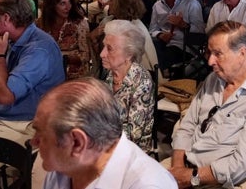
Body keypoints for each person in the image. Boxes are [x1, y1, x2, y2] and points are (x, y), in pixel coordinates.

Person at [169, 21, 246, 188]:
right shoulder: (213, 79)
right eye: (209, 53)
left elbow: (240, 167)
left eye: (218, 54)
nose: (210, 61)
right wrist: (178, 168)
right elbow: (187, 125)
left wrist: (191, 177)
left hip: (227, 182)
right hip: (187, 167)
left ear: (242, 54)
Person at [32, 78, 177, 189]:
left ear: (77, 143)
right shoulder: (63, 168)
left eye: (41, 135)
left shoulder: (149, 184)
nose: (34, 142)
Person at [0, 0, 64, 148]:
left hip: (21, 125)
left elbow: (5, 97)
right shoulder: (16, 39)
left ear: (6, 18)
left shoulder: (38, 49)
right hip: (1, 116)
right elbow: (3, 83)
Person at [100, 20, 154, 152]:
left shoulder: (142, 82)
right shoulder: (110, 75)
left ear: (129, 54)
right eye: (103, 46)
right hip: (105, 143)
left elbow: (133, 135)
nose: (102, 54)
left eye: (110, 49)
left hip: (130, 153)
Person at [89, 0, 158, 80]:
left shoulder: (135, 28)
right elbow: (101, 55)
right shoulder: (107, 21)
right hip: (108, 71)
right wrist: (93, 38)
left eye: (112, 0)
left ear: (121, 3)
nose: (108, 3)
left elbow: (138, 63)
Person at [149, 0, 205, 74]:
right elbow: (152, 30)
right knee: (146, 52)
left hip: (183, 46)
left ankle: (158, 82)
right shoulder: (157, 6)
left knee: (159, 58)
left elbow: (200, 33)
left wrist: (184, 25)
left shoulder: (191, 4)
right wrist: (160, 35)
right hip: (162, 43)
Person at [37, 0, 90, 79]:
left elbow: (86, 56)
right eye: (62, 3)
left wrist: (63, 58)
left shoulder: (79, 23)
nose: (68, 7)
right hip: (47, 73)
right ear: (52, 6)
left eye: (70, 2)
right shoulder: (40, 24)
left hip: (74, 75)